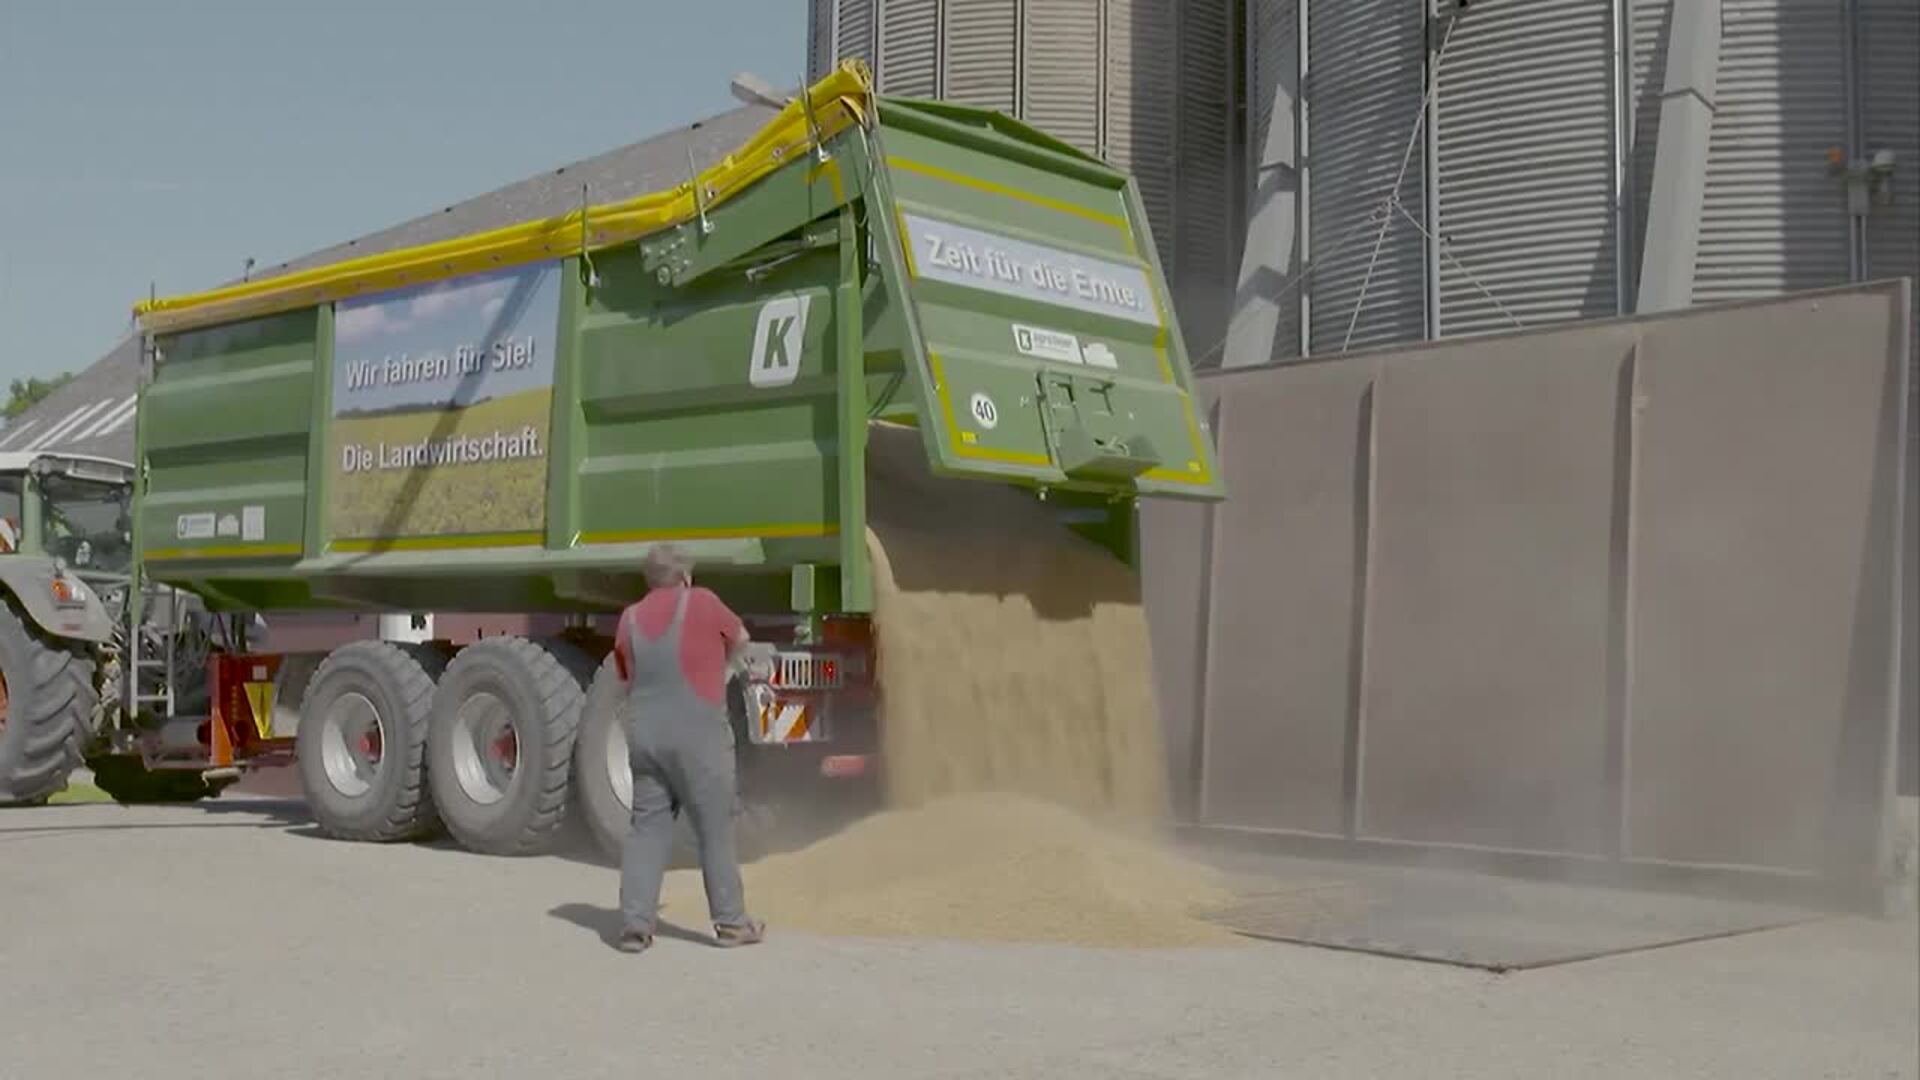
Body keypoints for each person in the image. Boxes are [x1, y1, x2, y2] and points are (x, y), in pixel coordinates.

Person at [611, 542, 765, 953]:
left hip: (646, 737)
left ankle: (635, 925)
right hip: (698, 736)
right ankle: (731, 923)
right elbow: (742, 638)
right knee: (714, 828)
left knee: (647, 829)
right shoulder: (703, 601)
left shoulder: (629, 618)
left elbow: (624, 676)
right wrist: (726, 669)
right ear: (685, 576)